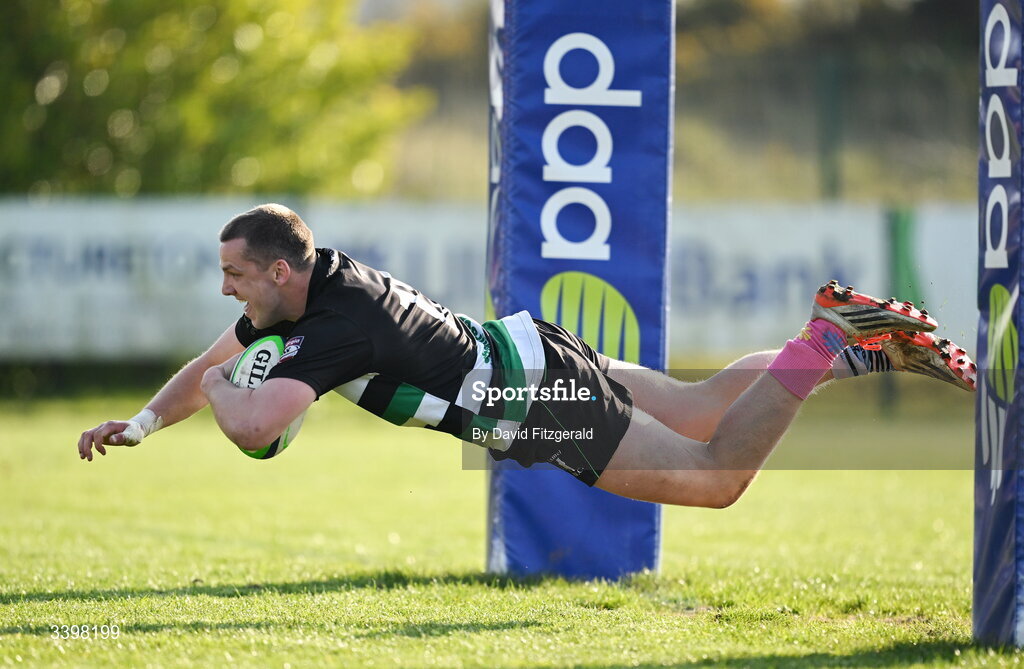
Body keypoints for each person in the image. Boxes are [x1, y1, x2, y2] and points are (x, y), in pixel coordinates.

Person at [77, 204, 976, 508]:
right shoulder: (314, 285)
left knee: (714, 475)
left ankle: (827, 340)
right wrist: (151, 420)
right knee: (701, 408)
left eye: (234, 274)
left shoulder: (330, 329)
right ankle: (864, 346)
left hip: (533, 394)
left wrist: (238, 382)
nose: (227, 291)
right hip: (526, 349)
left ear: (278, 269)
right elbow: (217, 354)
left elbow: (259, 427)